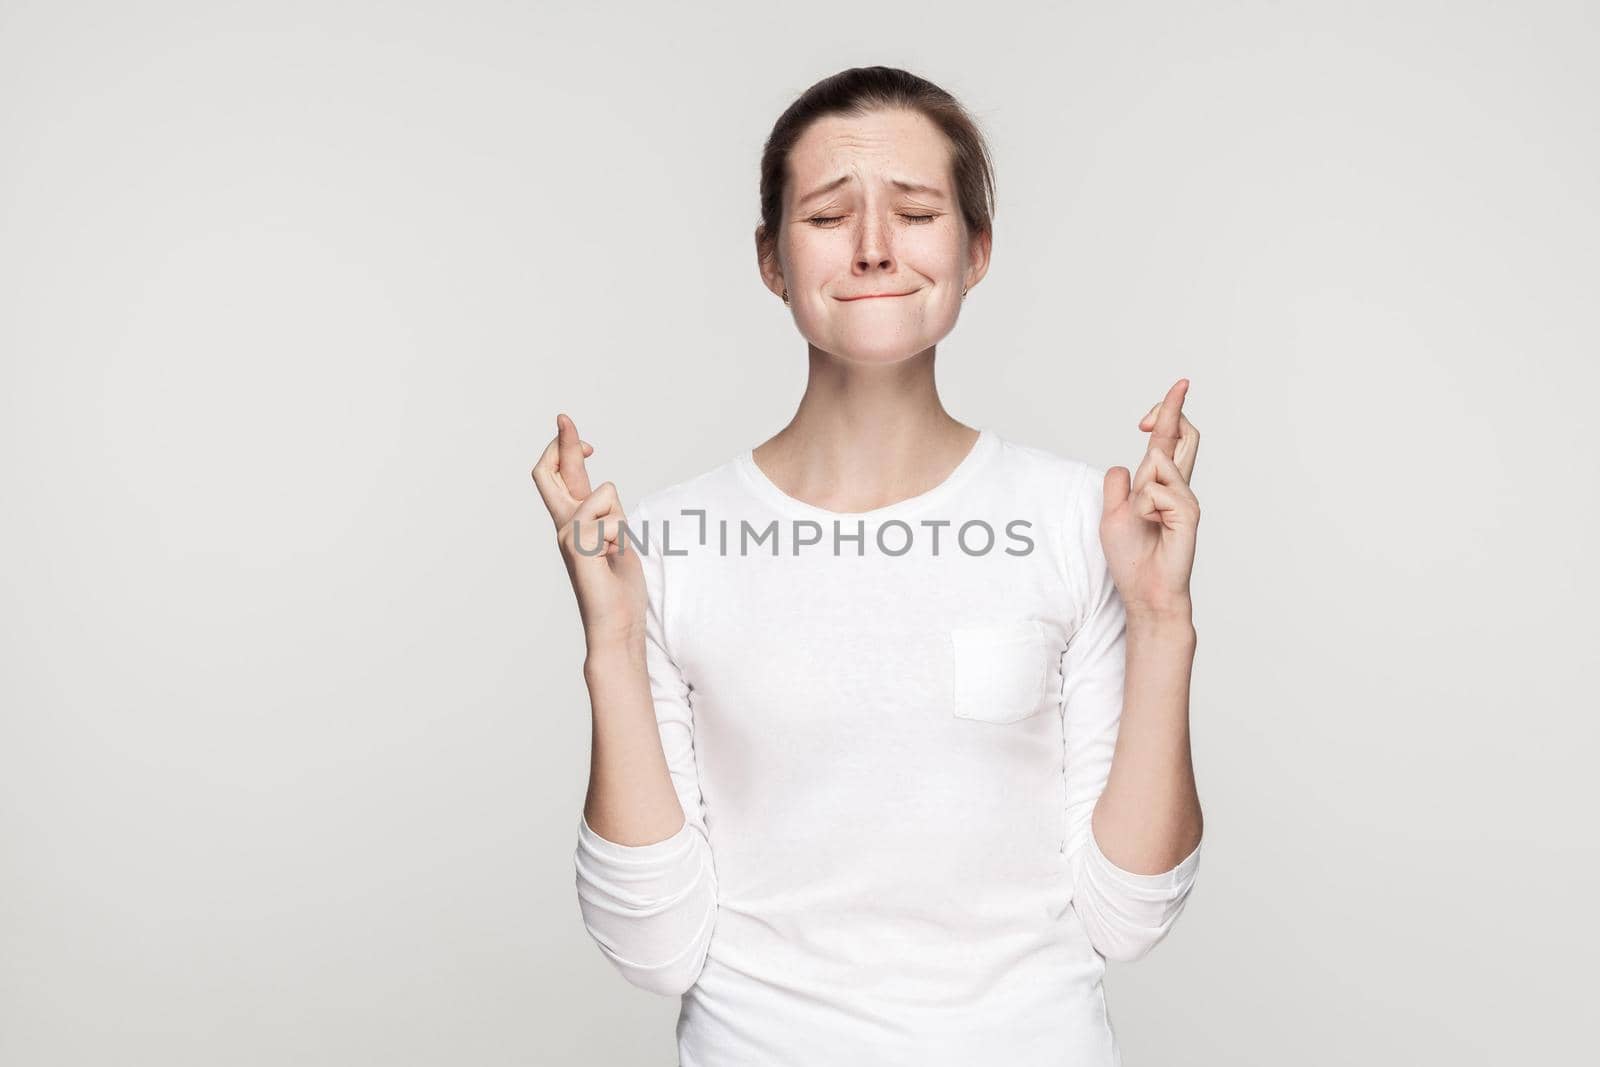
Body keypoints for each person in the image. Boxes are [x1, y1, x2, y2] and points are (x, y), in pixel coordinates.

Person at [532, 65, 1205, 1067]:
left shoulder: (1082, 521)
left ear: (975, 249)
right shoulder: (668, 541)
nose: (875, 246)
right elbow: (651, 945)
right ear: (770, 258)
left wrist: (1161, 621)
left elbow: (1129, 914)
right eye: (827, 214)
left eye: (918, 211)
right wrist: (613, 640)